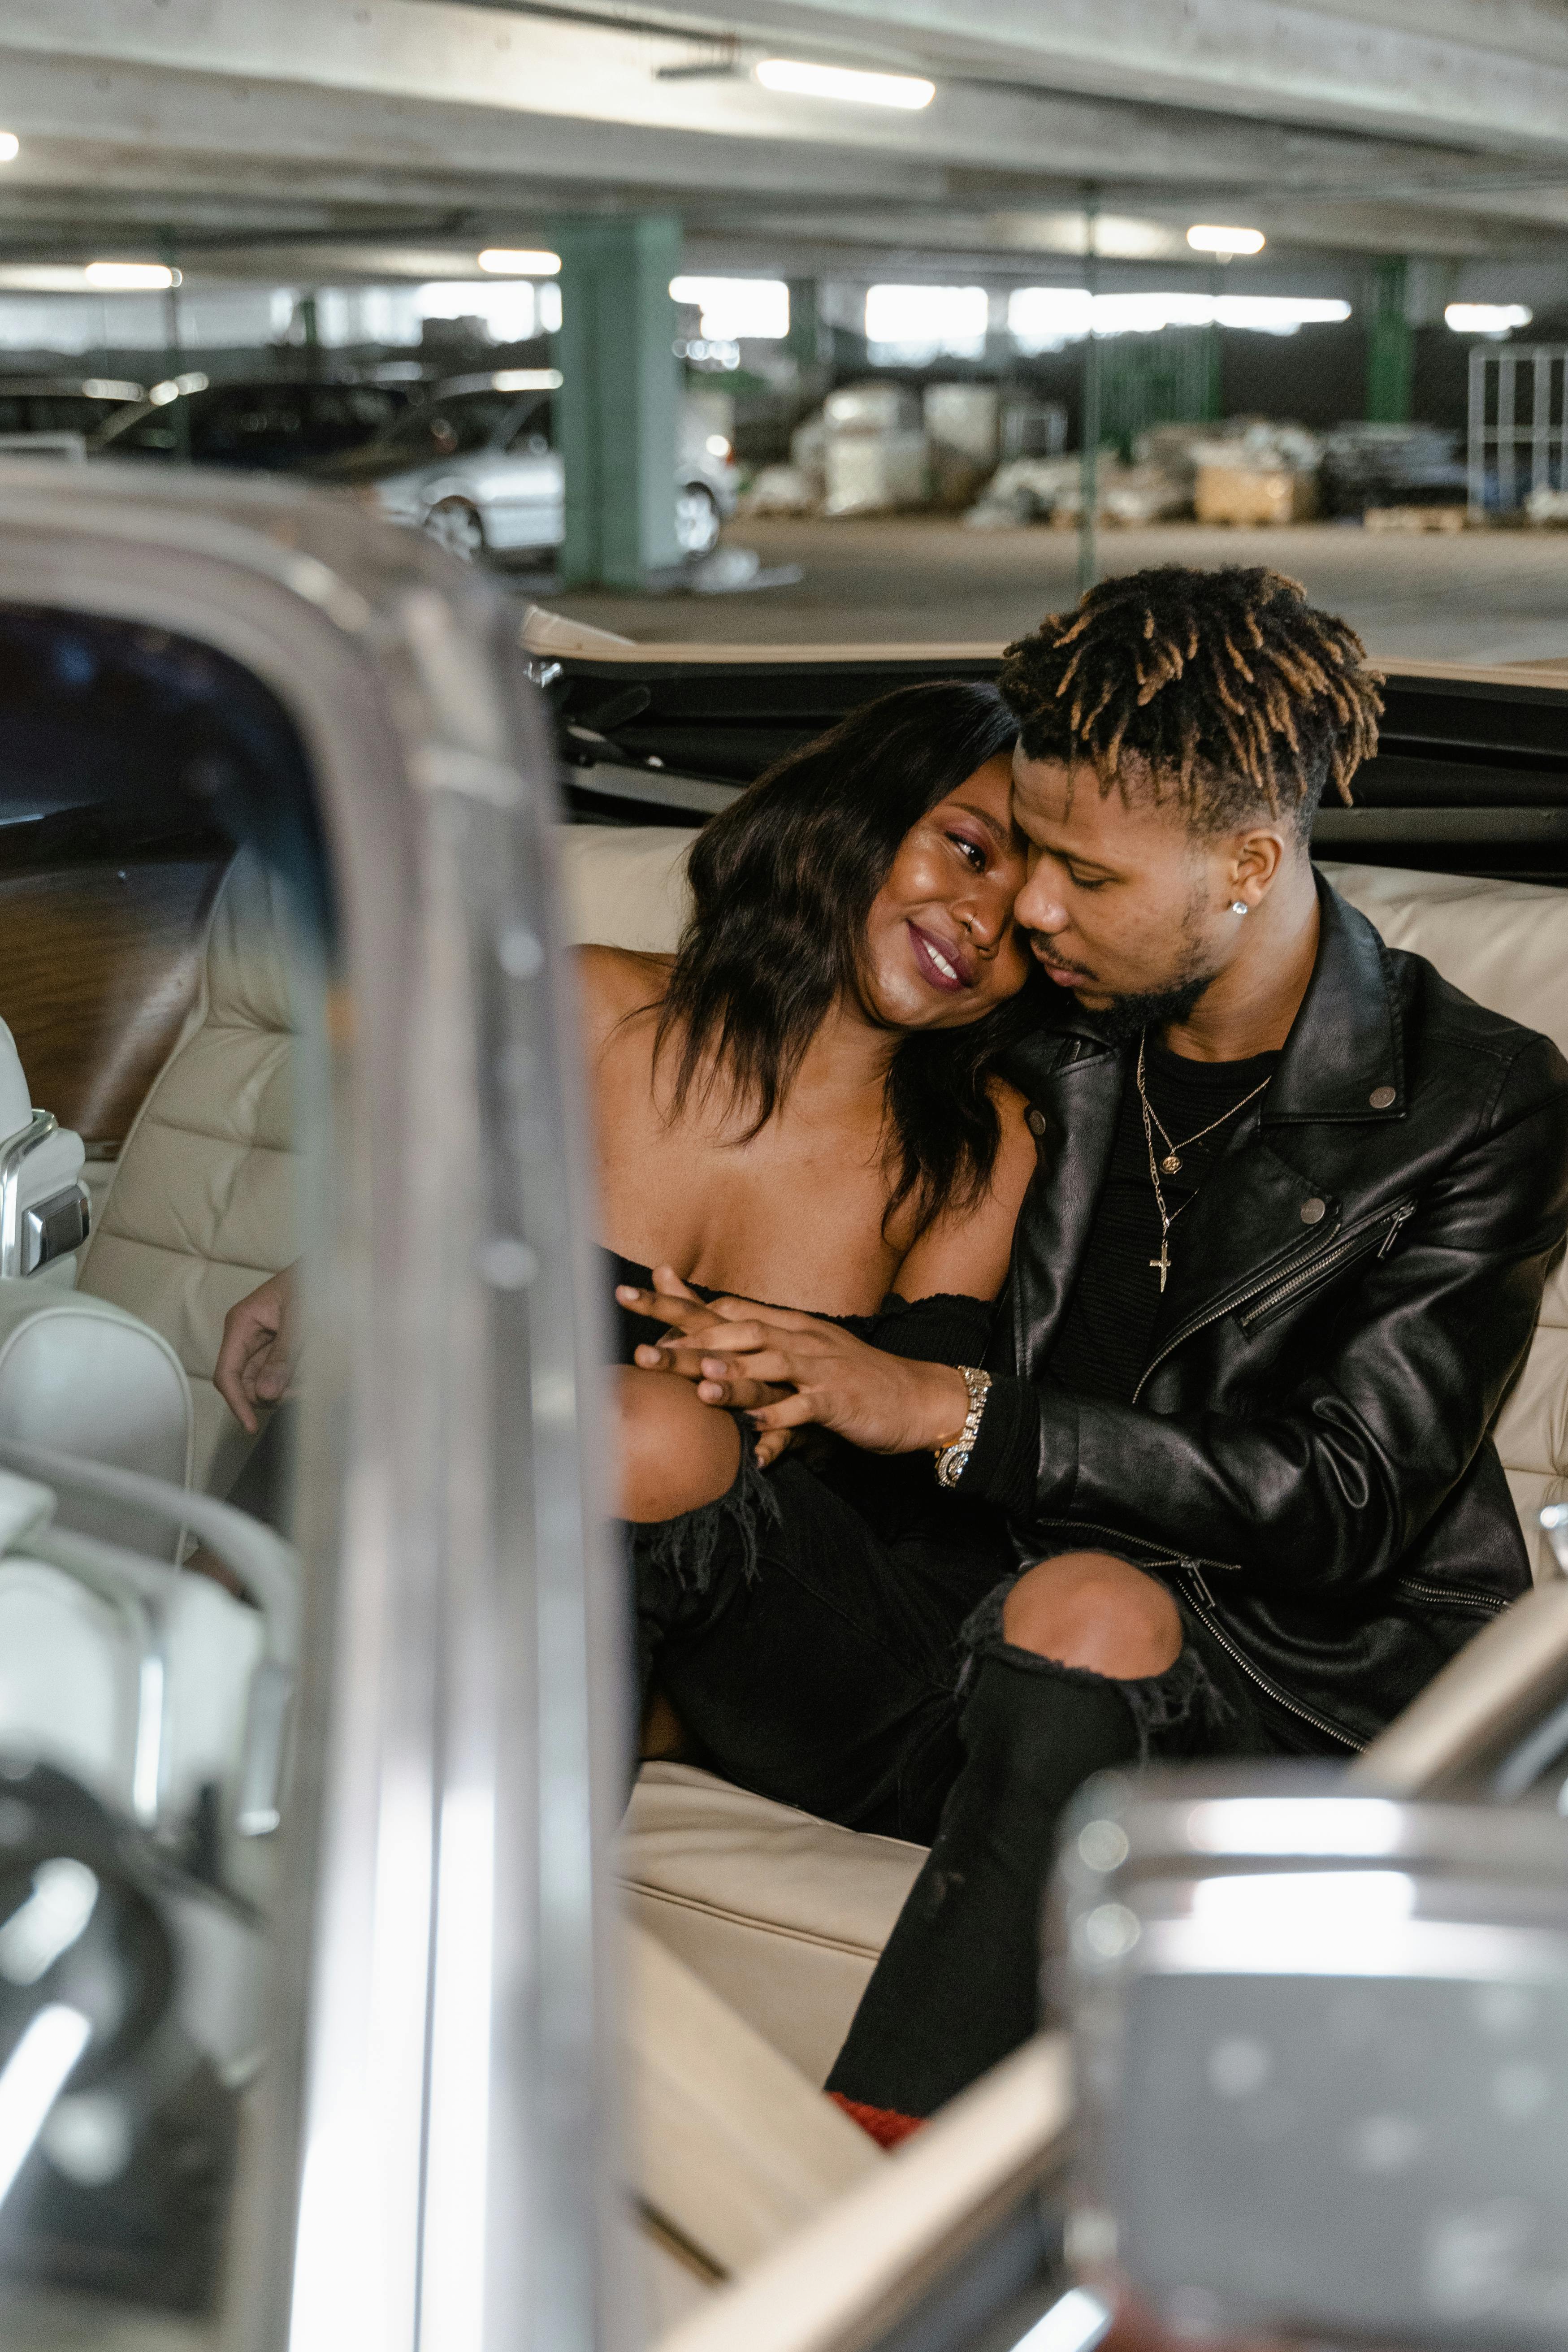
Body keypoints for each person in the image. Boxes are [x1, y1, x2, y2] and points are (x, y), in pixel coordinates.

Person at [620, 563, 1568, 2135]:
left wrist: (948, 1406)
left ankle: (883, 2209)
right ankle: (457, 1988)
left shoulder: (1475, 1098)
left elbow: (1341, 1499)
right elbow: (742, 1083)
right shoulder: (1050, 1028)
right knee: (632, 1429)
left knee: (1078, 1600)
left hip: (1285, 1706)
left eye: (1081, 874)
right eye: (1023, 851)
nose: (1027, 910)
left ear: (1244, 866)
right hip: (968, 1644)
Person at [217, 682, 1046, 1685]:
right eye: (969, 849)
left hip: (791, 1611)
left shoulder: (980, 1141)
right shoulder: (581, 1006)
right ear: (864, 806)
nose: (984, 922)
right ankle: (185, 1681)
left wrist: (804, 1396)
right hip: (530, 1567)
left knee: (649, 1427)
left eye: (1029, 922)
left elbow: (922, 1466)